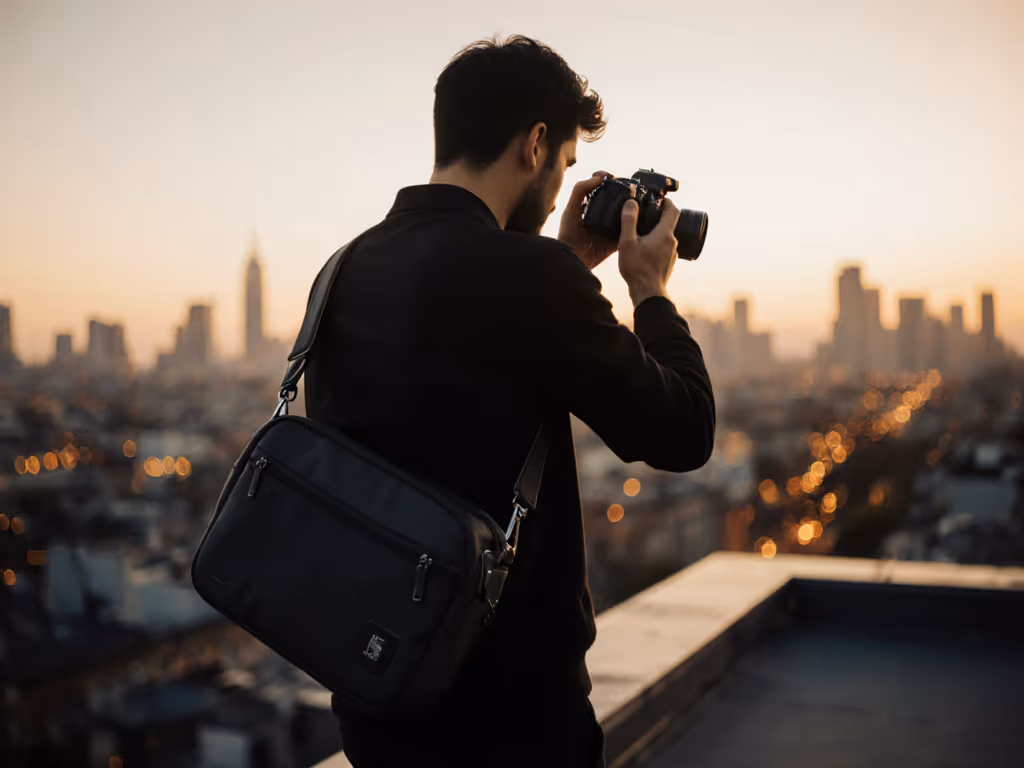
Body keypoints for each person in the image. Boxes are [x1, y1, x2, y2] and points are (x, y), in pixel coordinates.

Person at [303, 34, 716, 768]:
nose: (561, 189)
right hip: (513, 726)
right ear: (533, 145)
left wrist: (555, 262)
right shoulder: (530, 281)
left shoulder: (342, 270)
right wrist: (648, 291)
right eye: (563, 163)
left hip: (378, 706)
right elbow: (684, 432)